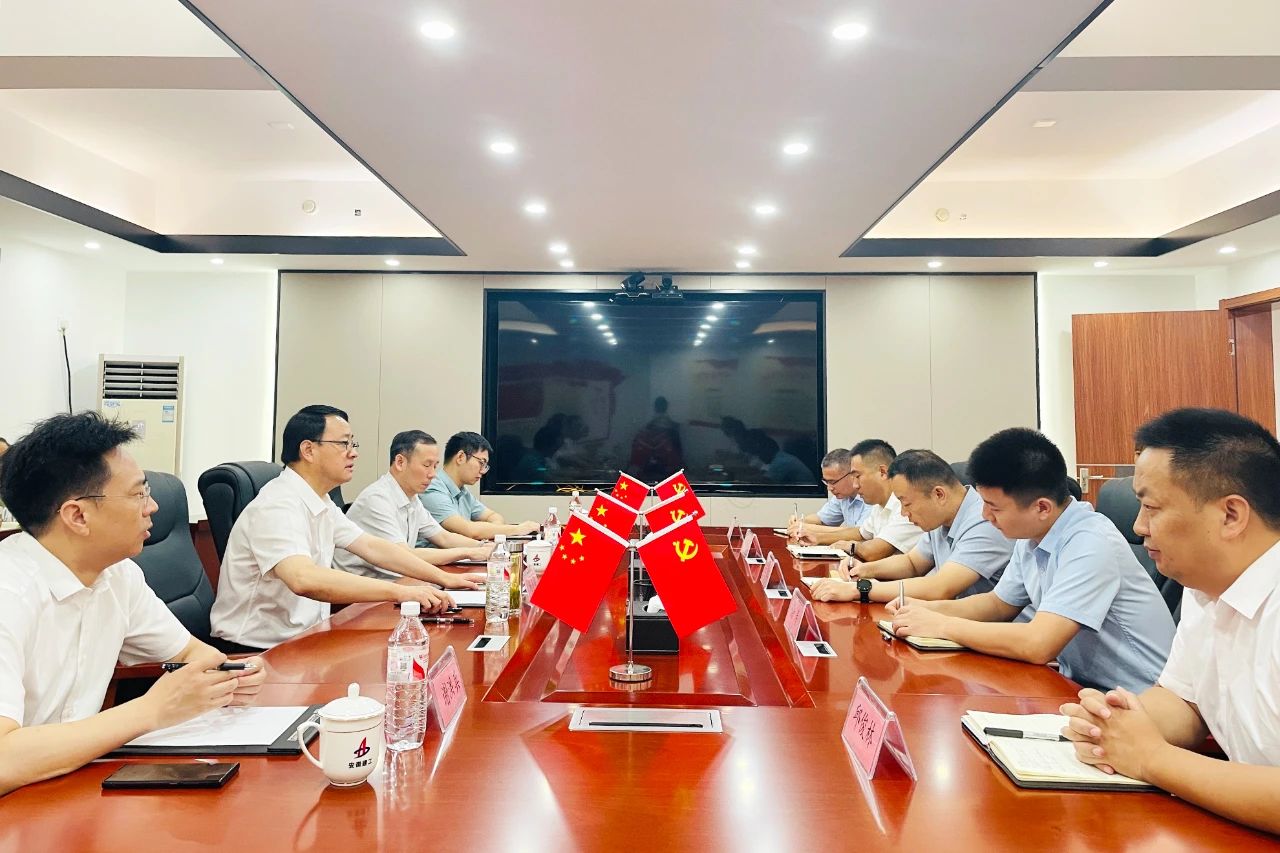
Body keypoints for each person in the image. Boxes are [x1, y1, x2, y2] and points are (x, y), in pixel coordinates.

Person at [0, 412, 266, 796]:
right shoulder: (9, 593)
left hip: (69, 789)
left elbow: (193, 654)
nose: (153, 506)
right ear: (77, 515)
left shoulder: (117, 575)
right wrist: (151, 710)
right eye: (138, 494)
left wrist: (227, 678)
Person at [1061, 409, 1280, 835]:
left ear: (1231, 515)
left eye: (1151, 507)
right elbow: (1186, 702)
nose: (1138, 526)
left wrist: (1151, 758)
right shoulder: (1204, 585)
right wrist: (1113, 724)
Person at [887, 428, 1174, 692]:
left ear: (1042, 508)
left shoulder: (1090, 541)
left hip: (1141, 699)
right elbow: (997, 605)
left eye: (994, 507)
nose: (985, 516)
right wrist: (924, 609)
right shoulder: (1032, 536)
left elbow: (1039, 644)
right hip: (1080, 688)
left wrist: (941, 625)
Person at [211, 406, 471, 652]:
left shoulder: (320, 500)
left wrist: (443, 579)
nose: (353, 453)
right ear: (308, 450)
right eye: (344, 444)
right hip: (255, 652)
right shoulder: (277, 505)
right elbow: (303, 578)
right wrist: (400, 592)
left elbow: (371, 546)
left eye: (352, 444)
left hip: (306, 638)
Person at [811, 449, 1012, 603]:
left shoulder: (984, 521)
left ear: (939, 494)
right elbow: (912, 563)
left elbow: (940, 587)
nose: (903, 513)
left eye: (906, 504)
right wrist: (864, 570)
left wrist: (860, 589)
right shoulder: (941, 518)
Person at [334, 430, 493, 579]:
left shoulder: (412, 498)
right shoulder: (377, 499)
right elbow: (405, 555)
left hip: (391, 580)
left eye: (435, 466)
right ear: (400, 462)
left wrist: (483, 547)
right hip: (358, 589)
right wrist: (467, 552)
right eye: (427, 465)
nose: (432, 474)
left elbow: (444, 537)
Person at [420, 431, 539, 539]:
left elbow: (493, 516)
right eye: (481, 463)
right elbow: (470, 531)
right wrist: (517, 529)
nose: (483, 471)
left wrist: (495, 530)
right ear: (460, 457)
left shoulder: (463, 492)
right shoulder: (432, 488)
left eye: (485, 466)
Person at [822, 439, 924, 561]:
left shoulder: (906, 505)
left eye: (857, 476)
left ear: (883, 472)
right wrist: (817, 538)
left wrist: (850, 545)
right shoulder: (879, 504)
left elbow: (874, 552)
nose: (855, 485)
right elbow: (861, 533)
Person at [787, 448, 869, 544]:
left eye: (833, 482)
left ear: (852, 474)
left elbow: (861, 533)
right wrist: (800, 522)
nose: (829, 488)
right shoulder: (842, 496)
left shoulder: (871, 495)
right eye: (826, 482)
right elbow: (822, 519)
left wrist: (808, 528)